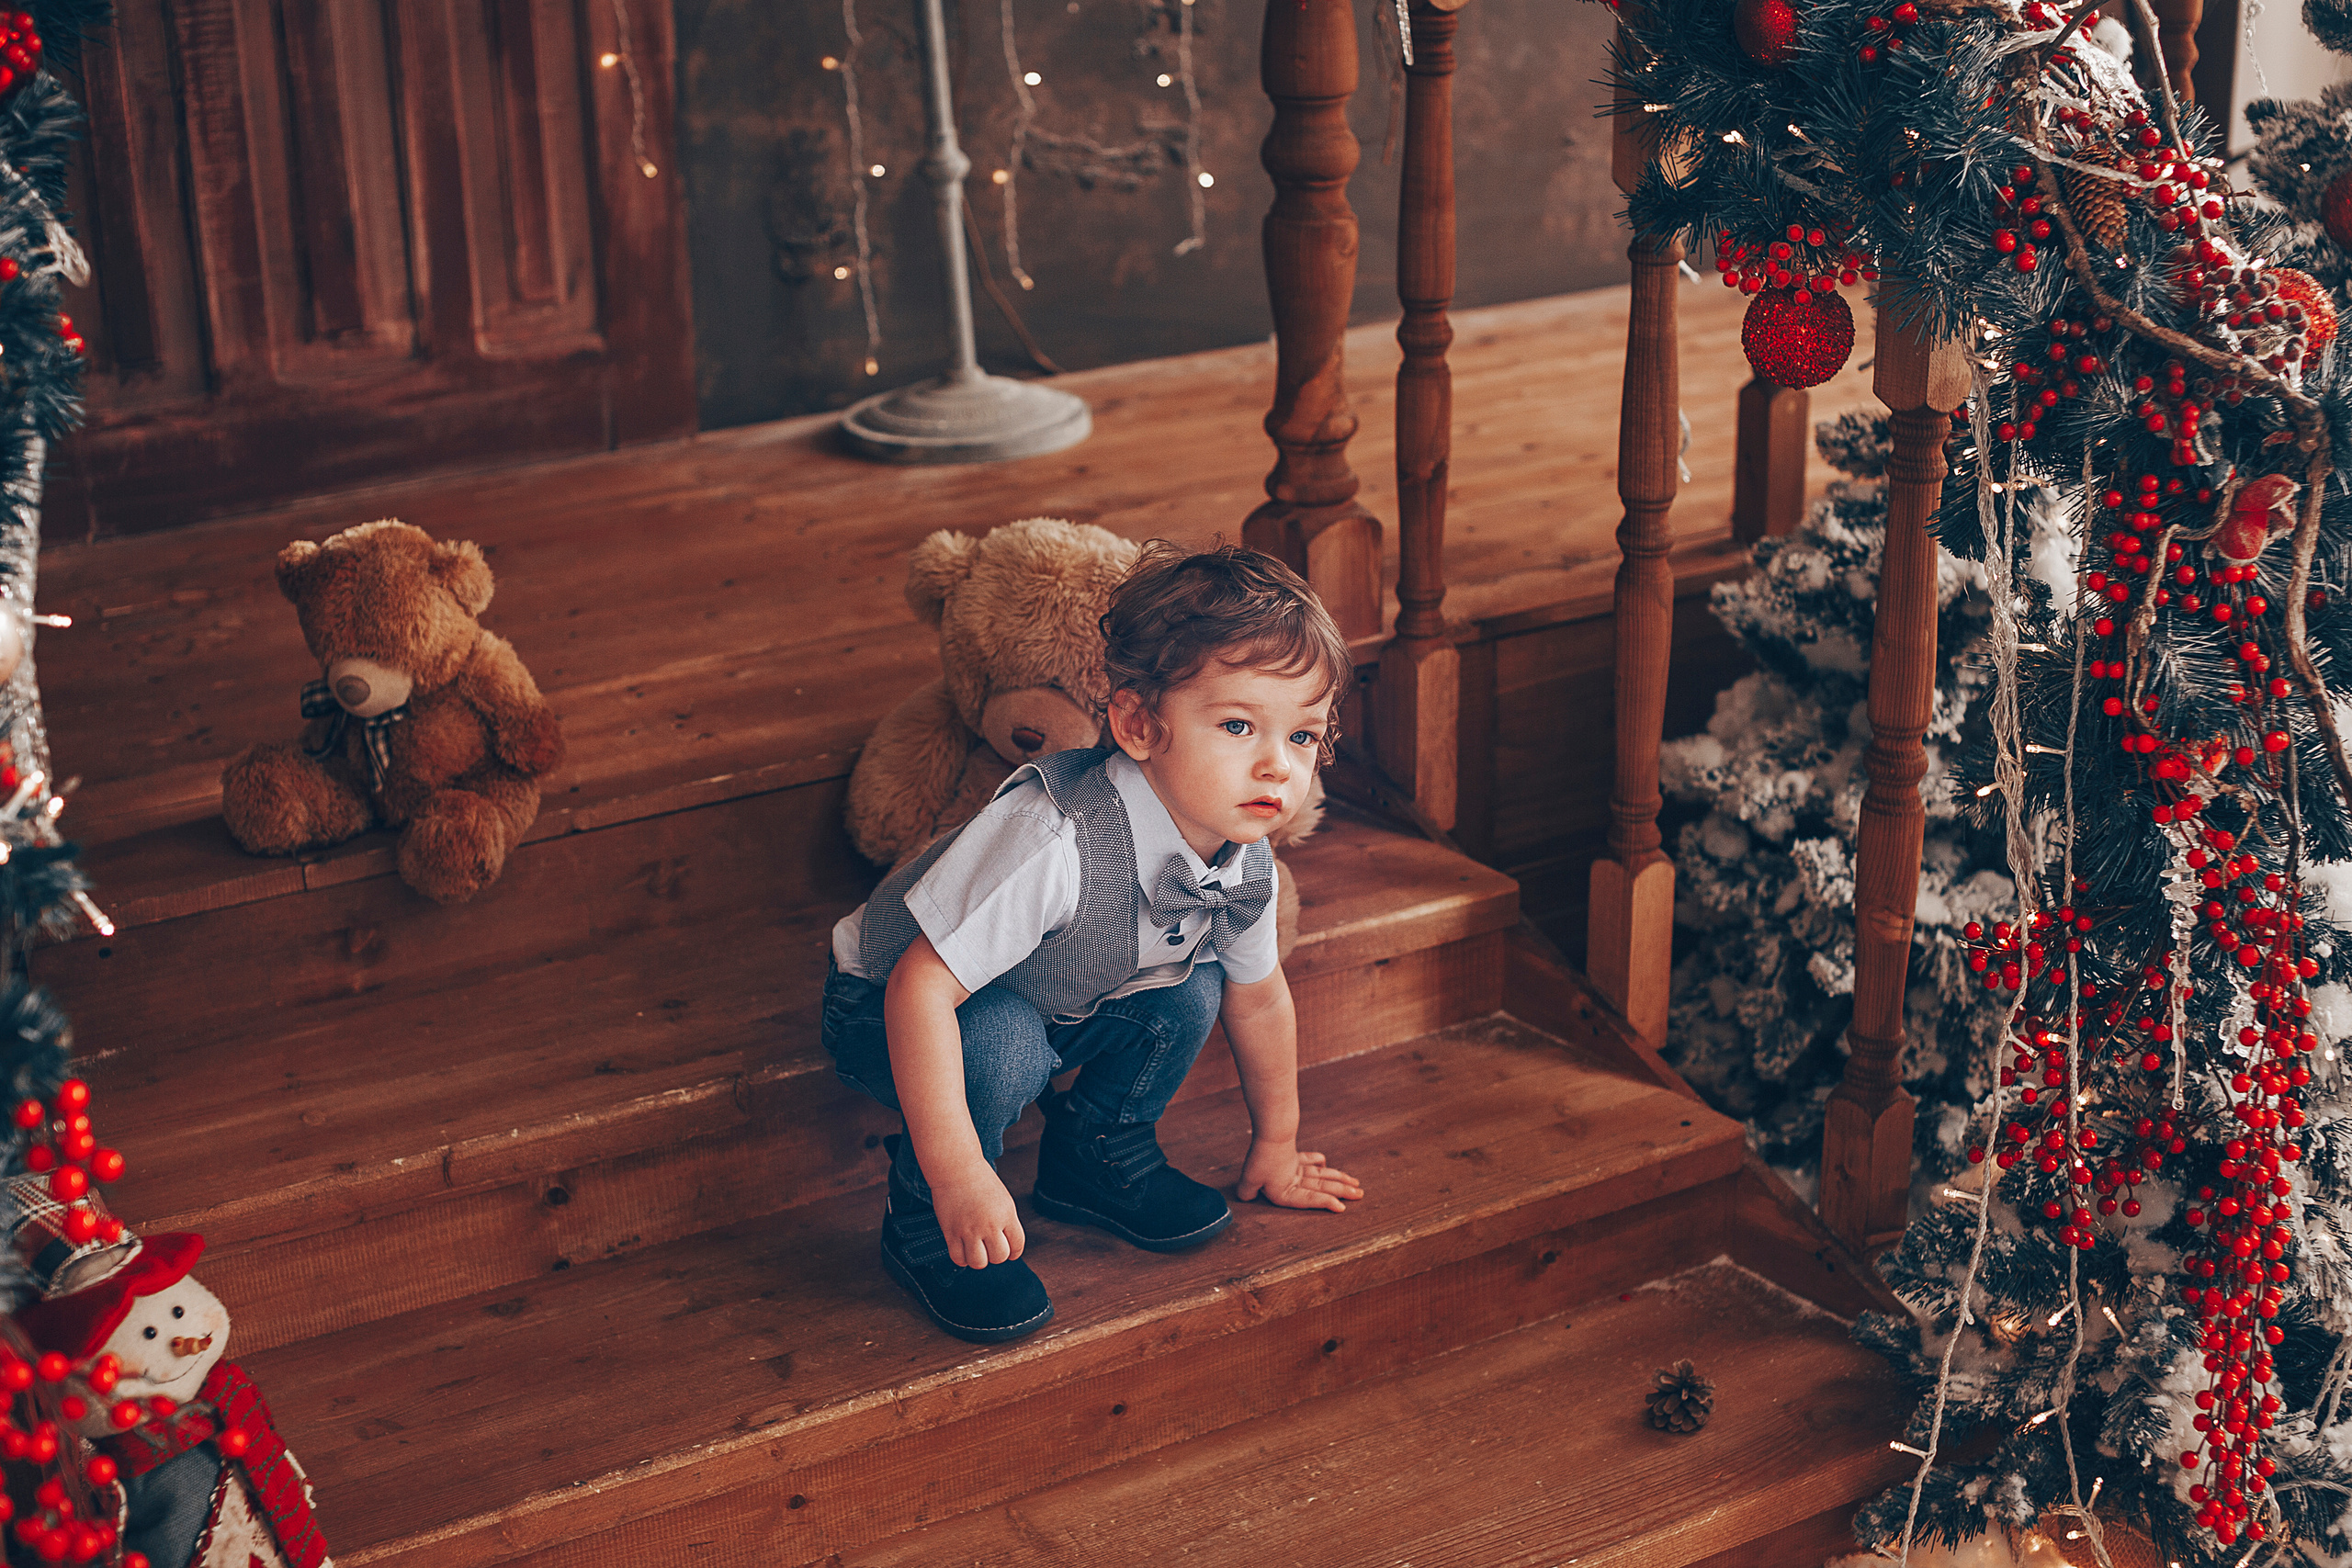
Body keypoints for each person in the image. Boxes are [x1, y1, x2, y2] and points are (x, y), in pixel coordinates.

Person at [820, 542, 1365, 1344]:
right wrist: (958, 1175)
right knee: (1003, 1040)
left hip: (1054, 996)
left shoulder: (1244, 857)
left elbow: (1260, 998)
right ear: (1139, 725)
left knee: (1195, 987)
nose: (1277, 767)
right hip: (886, 1002)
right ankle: (923, 1226)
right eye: (1239, 725)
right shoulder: (1055, 840)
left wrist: (1277, 1146)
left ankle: (1094, 1153)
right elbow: (919, 987)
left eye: (1303, 736)